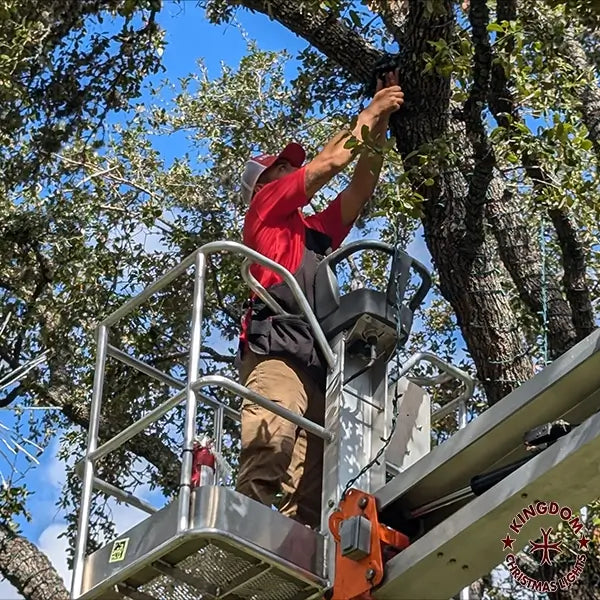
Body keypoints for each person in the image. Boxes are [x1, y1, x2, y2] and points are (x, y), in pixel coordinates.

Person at [235, 71, 404, 530]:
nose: (292, 169)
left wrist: (381, 125)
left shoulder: (311, 231)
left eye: (291, 167)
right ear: (267, 182)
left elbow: (358, 189)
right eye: (283, 167)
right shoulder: (266, 207)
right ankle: (241, 526)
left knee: (310, 493)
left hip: (316, 363)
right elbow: (330, 164)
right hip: (277, 356)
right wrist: (370, 112)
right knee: (270, 450)